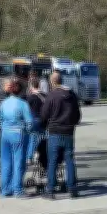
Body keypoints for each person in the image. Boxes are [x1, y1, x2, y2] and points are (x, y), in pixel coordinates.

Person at [40, 71, 82, 199]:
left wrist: (43, 125)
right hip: (69, 132)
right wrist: (72, 124)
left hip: (54, 131)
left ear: (52, 82)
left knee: (52, 161)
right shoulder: (72, 95)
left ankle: (50, 189)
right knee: (69, 159)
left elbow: (44, 115)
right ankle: (72, 188)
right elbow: (78, 115)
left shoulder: (51, 96)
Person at [0, 79, 34, 198]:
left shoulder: (4, 103)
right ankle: (17, 189)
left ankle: (5, 189)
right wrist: (26, 130)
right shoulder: (23, 104)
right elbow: (30, 122)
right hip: (18, 133)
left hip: (5, 134)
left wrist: (5, 127)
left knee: (6, 162)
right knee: (18, 162)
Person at [25, 77, 46, 165]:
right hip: (43, 120)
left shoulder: (30, 97)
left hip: (32, 120)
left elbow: (26, 110)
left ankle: (29, 157)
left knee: (32, 139)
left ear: (31, 86)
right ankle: (40, 155)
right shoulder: (45, 96)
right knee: (42, 138)